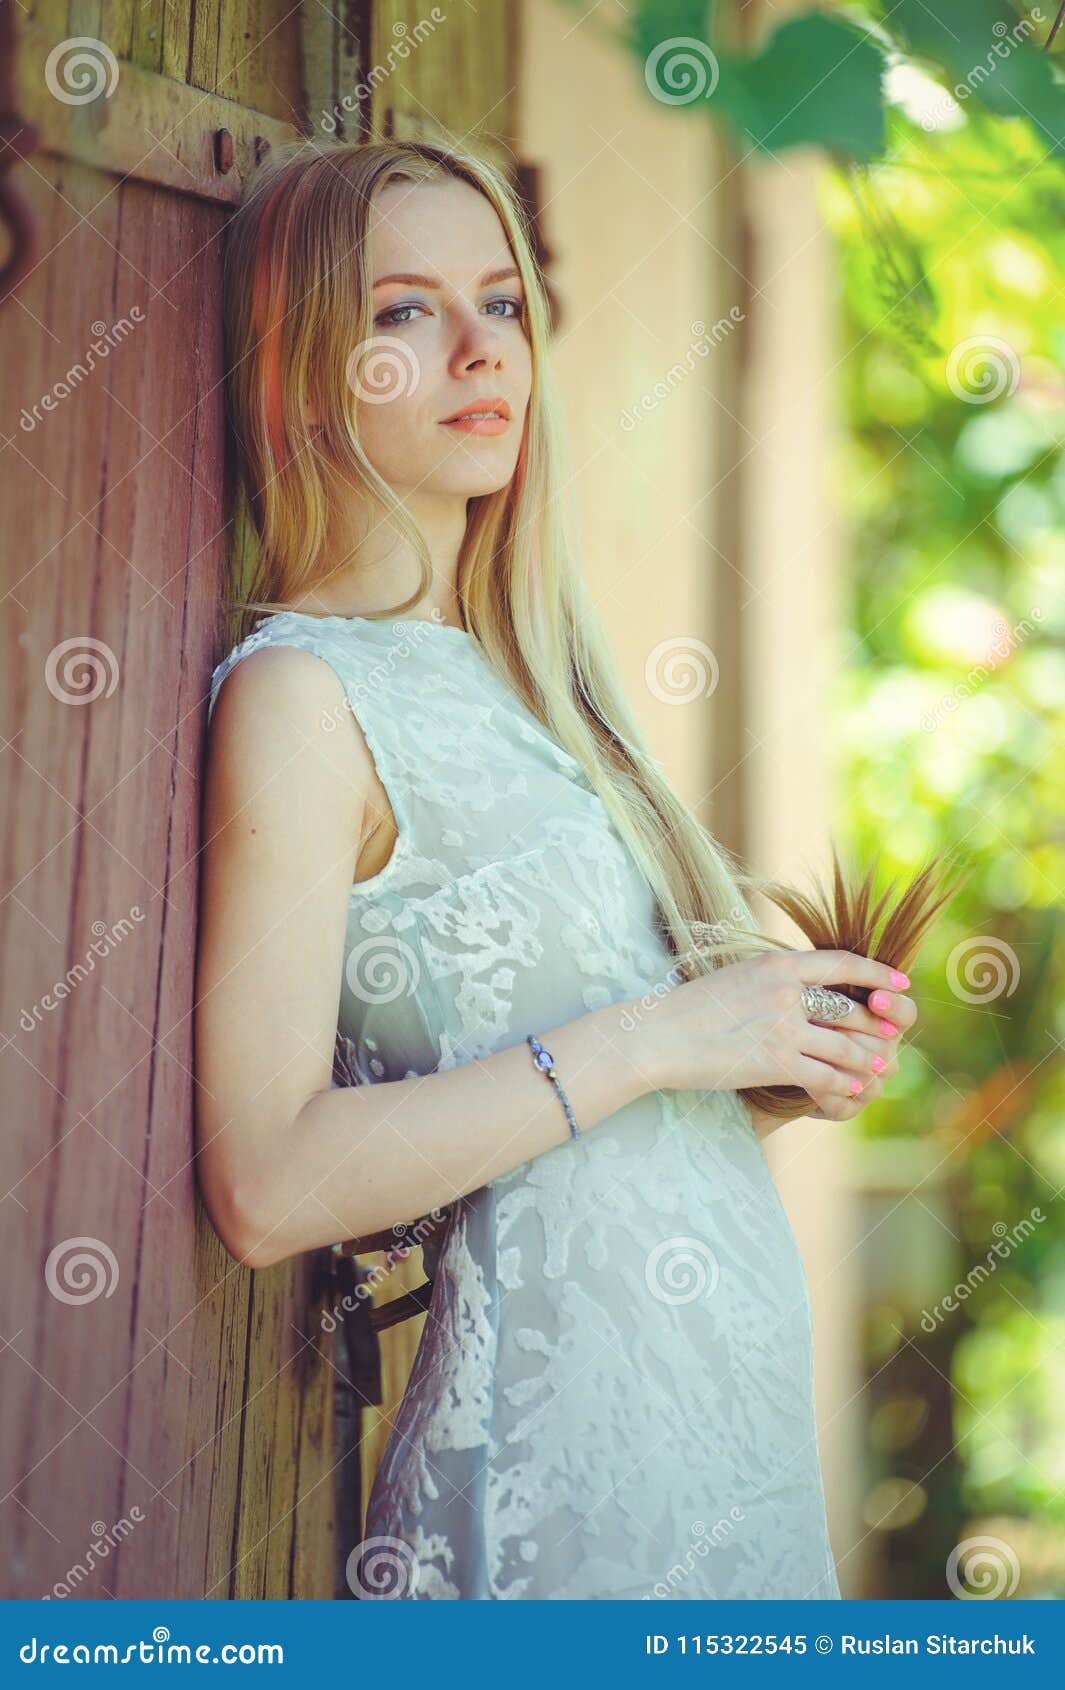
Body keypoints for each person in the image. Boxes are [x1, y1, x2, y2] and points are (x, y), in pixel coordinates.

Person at [194, 134, 915, 1601]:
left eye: (501, 304)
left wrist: (760, 1055)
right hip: (562, 1478)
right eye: (405, 312)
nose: (479, 351)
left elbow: (572, 1125)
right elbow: (264, 1180)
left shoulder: (533, 681)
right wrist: (662, 1035)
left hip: (721, 1444)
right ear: (307, 364)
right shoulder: (304, 696)